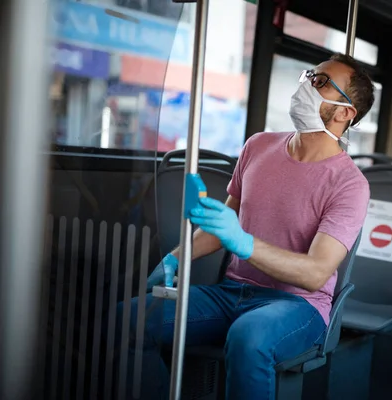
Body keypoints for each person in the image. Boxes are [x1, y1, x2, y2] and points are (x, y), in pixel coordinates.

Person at [115, 53, 375, 400]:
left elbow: (315, 273)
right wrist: (177, 258)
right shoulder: (259, 145)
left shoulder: (349, 184)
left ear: (345, 113)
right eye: (310, 75)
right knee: (128, 317)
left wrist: (243, 241)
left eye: (322, 82)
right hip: (231, 292)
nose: (307, 85)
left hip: (299, 305)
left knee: (249, 336)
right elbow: (222, 226)